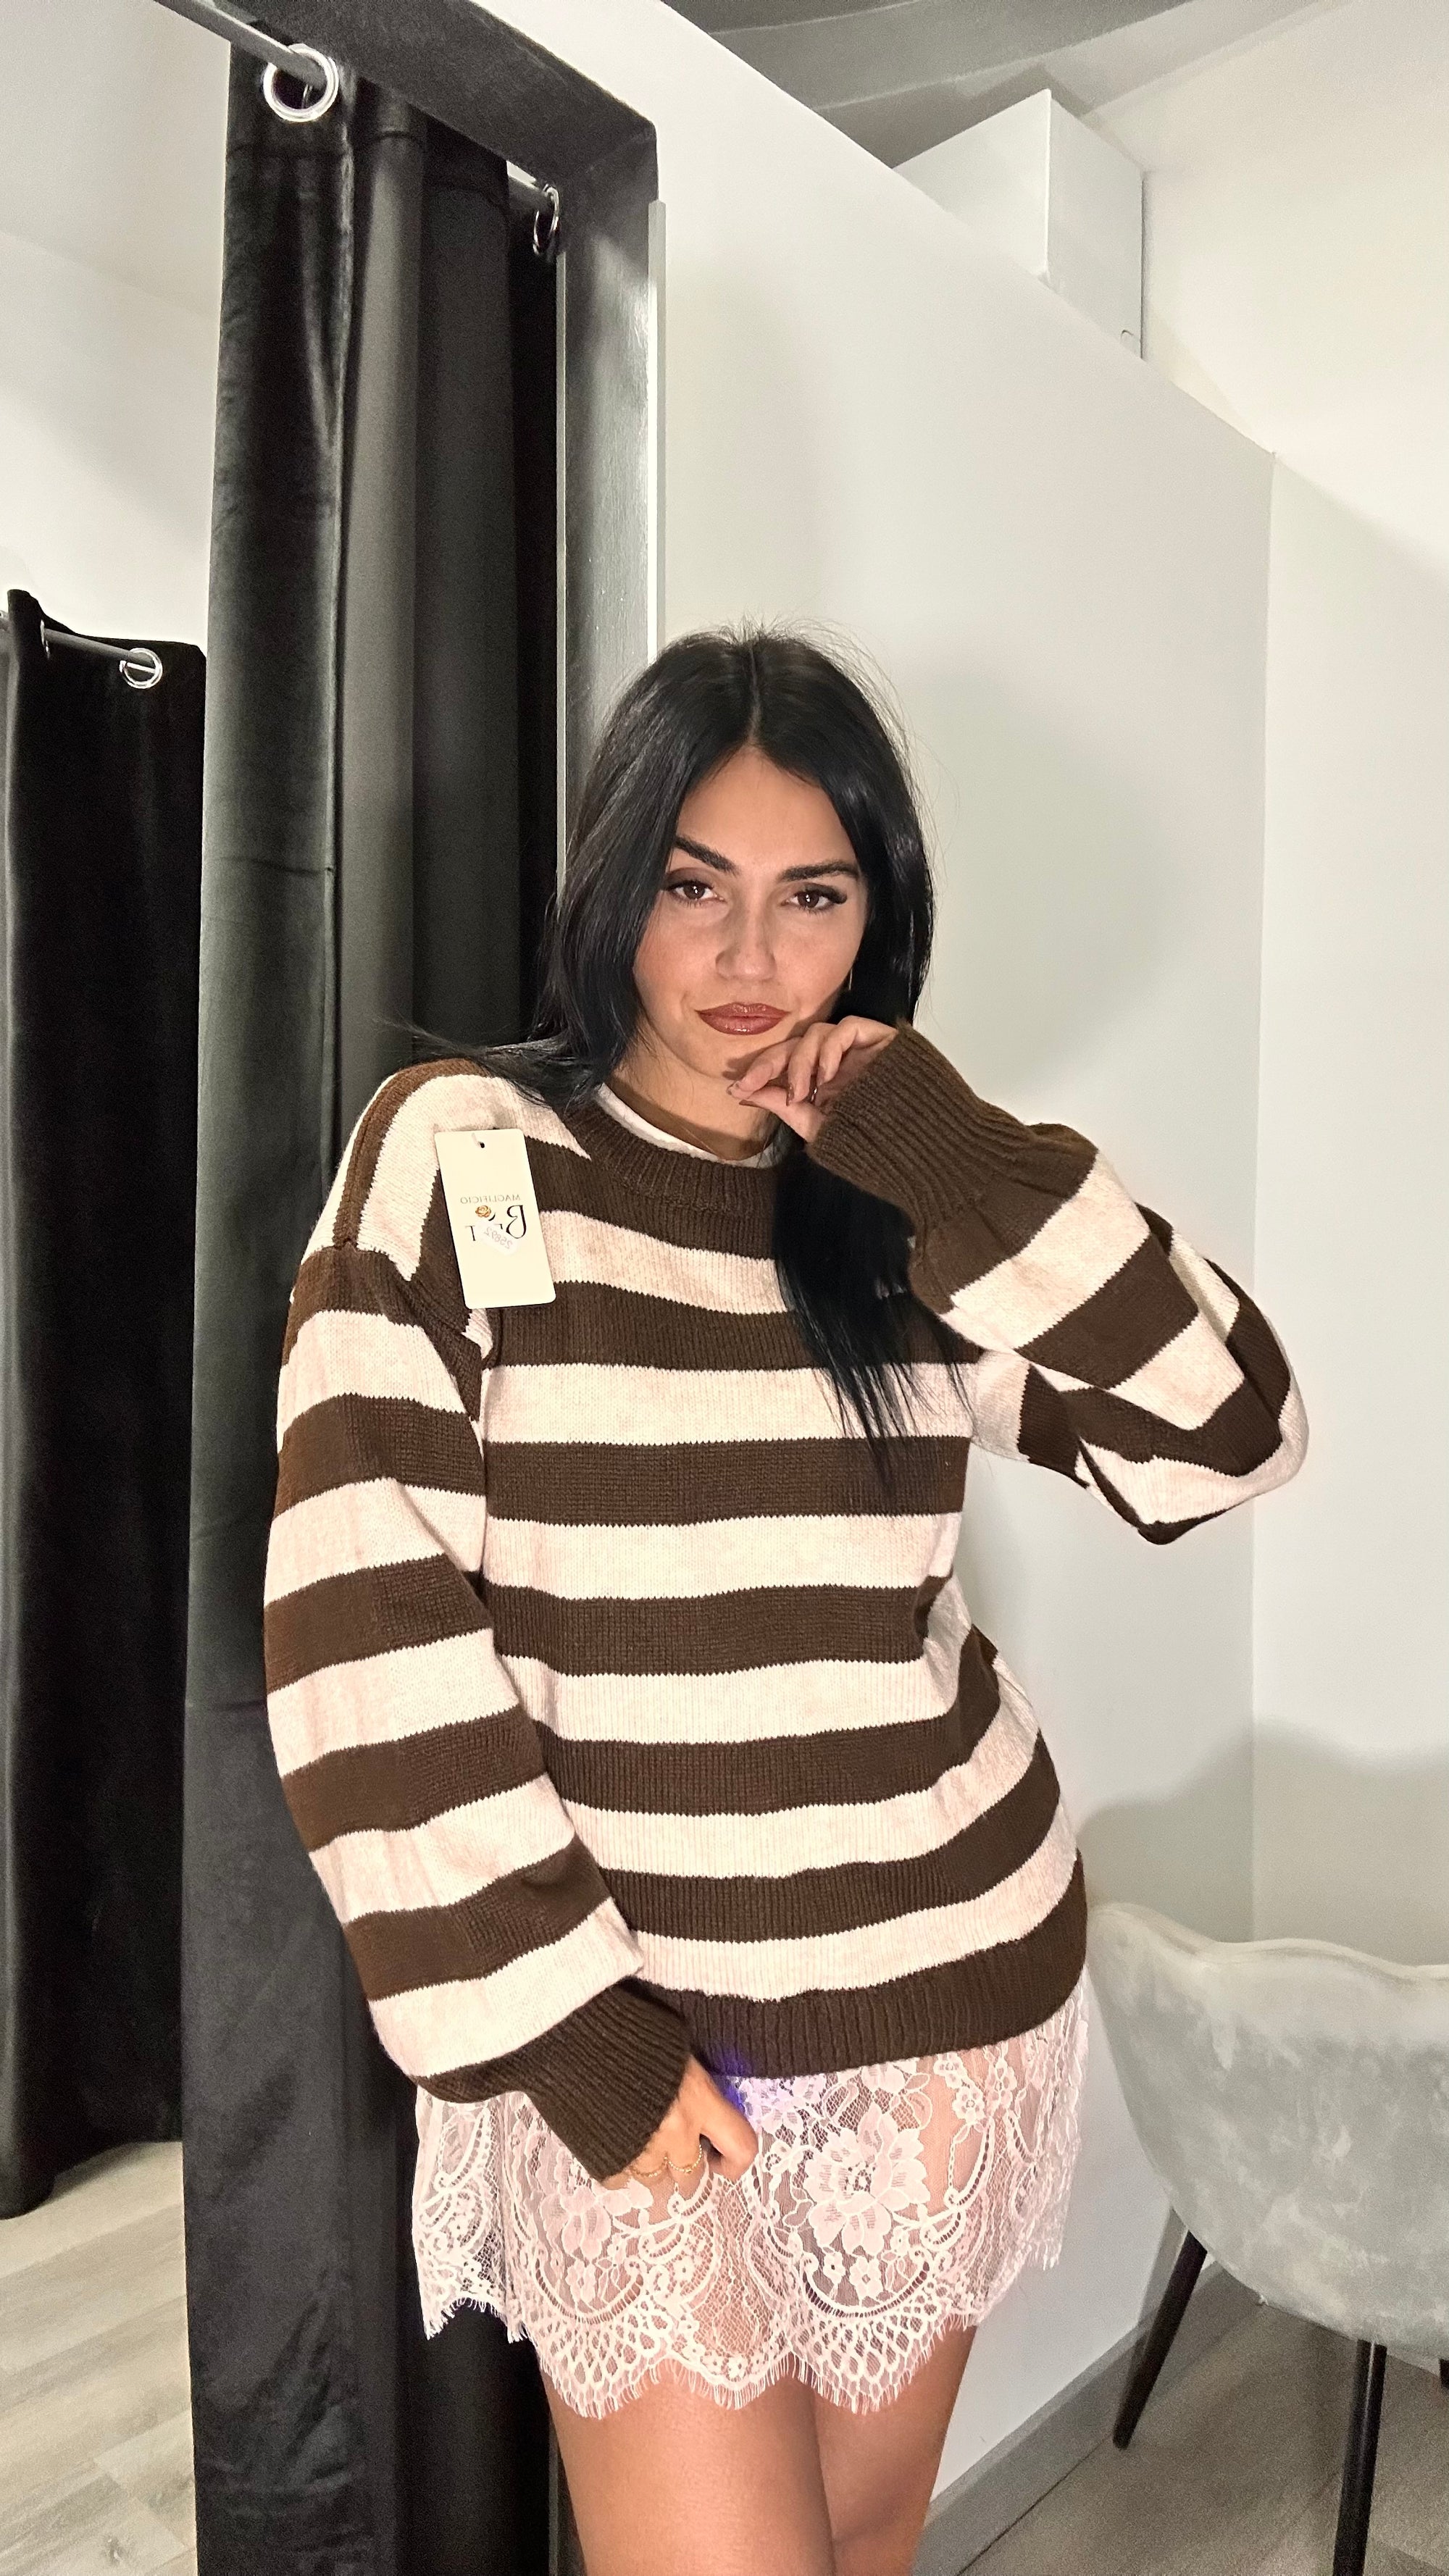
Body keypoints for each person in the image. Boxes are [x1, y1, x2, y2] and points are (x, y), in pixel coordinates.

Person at [262, 626, 1307, 2576]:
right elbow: (361, 1618)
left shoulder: (909, 1213)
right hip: (636, 2023)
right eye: (695, 886)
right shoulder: (461, 1152)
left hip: (941, 1991)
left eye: (813, 897)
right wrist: (569, 2026)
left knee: (860, 2547)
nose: (750, 959)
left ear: (874, 918)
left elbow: (1226, 1437)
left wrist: (951, 1153)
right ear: (613, 885)